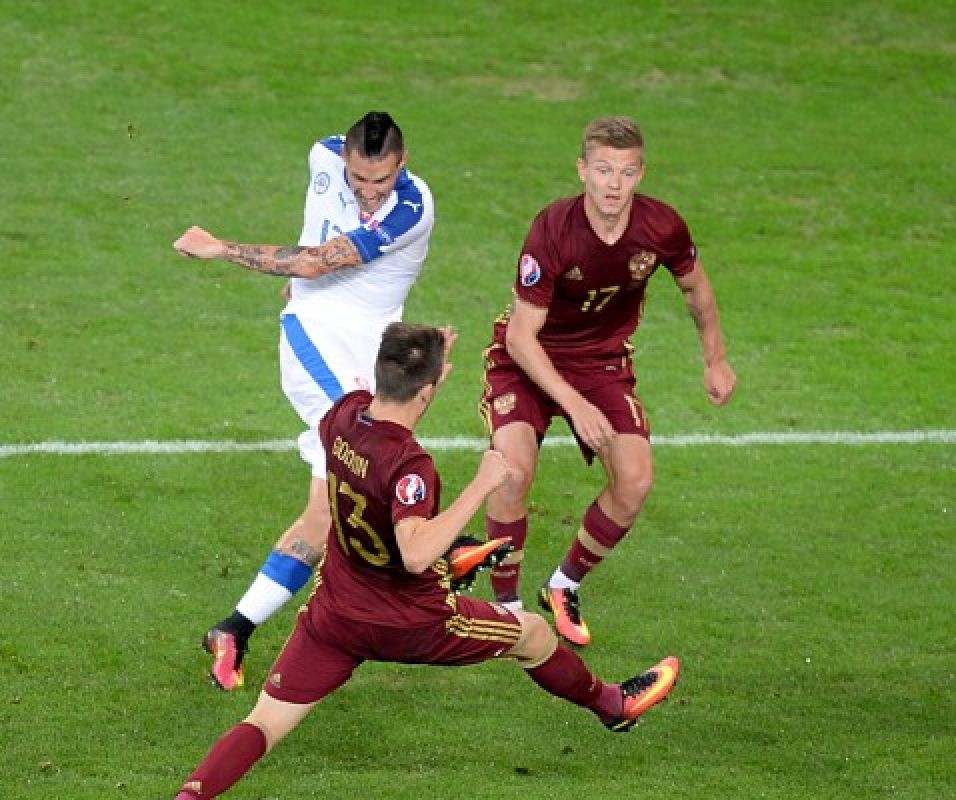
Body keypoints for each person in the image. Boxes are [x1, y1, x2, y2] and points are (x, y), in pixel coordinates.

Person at [173, 322, 680, 799]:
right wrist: (482, 484)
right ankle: (612, 704)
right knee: (531, 634)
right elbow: (415, 554)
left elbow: (386, 408)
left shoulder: (341, 417)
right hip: (411, 619)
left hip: (336, 614)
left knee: (262, 724)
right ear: (429, 391)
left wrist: (429, 358)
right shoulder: (411, 466)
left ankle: (189, 794)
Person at [173, 111, 435, 690]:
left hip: (368, 357)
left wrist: (222, 248)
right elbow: (317, 245)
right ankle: (438, 555)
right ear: (345, 161)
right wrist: (281, 277)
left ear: (403, 162)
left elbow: (319, 259)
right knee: (373, 457)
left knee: (325, 512)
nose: (369, 195)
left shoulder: (412, 210)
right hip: (314, 344)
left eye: (381, 182)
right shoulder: (323, 157)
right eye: (359, 182)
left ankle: (234, 629)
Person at [479, 116, 736, 646]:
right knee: (511, 473)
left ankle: (563, 584)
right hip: (528, 360)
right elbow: (523, 338)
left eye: (625, 171)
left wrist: (716, 358)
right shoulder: (552, 229)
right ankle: (506, 610)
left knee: (636, 480)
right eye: (603, 170)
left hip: (601, 363)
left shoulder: (662, 227)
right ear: (583, 171)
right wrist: (574, 405)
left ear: (640, 174)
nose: (613, 184)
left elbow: (696, 291)